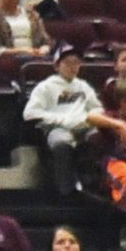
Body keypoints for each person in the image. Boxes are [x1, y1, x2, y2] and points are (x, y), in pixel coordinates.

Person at [23, 48, 103, 198]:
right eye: (67, 63)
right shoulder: (45, 87)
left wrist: (88, 118)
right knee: (61, 144)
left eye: (76, 63)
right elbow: (30, 113)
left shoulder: (83, 86)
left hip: (83, 126)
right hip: (58, 128)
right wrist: (61, 119)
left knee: (97, 138)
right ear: (57, 65)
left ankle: (92, 185)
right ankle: (66, 191)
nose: (72, 67)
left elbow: (98, 108)